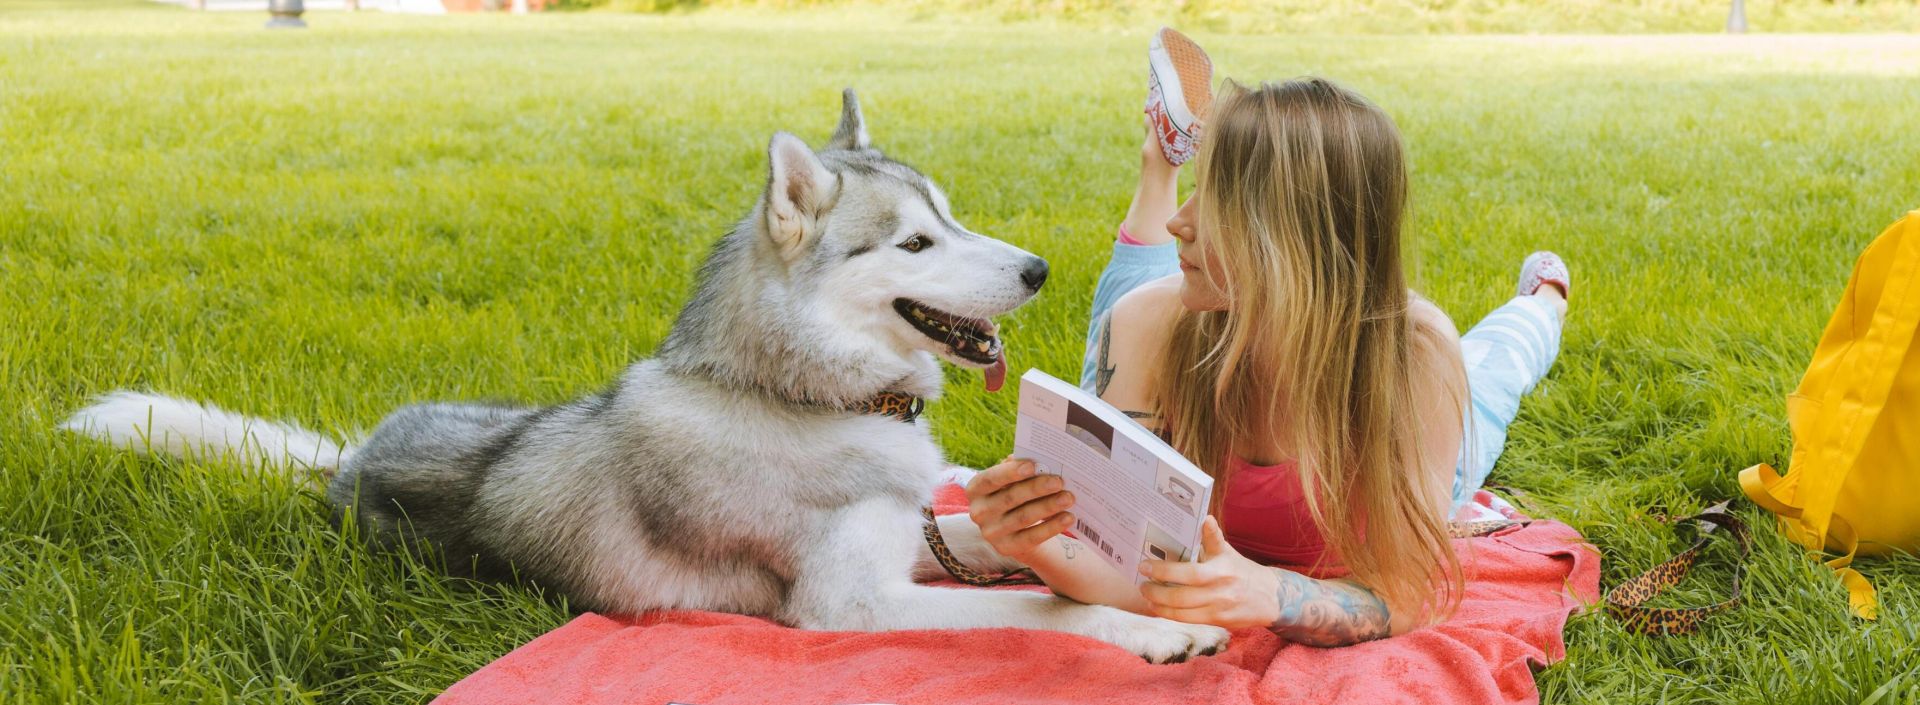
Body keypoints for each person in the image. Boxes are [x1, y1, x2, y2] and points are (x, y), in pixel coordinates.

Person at [963, 29, 1571, 647]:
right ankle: (1159, 162)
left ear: (1295, 236)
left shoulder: (1411, 354)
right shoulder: (1147, 323)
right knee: (1130, 307)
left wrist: (1272, 595)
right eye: (1194, 191)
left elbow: (1407, 592)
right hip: (1177, 319)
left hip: (1411, 414)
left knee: (1493, 369)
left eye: (1216, 202)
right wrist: (1034, 544)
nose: (1179, 221)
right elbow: (1120, 568)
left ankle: (1544, 300)